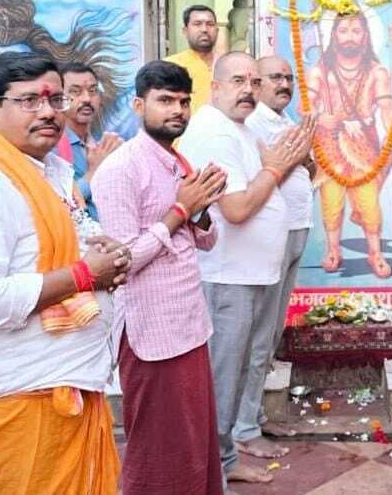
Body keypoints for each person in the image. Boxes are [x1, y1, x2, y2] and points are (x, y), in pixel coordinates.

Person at [0, 51, 128, 494]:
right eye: (28, 101)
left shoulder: (53, 174)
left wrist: (107, 254)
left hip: (70, 389)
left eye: (54, 99)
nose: (47, 112)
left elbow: (73, 245)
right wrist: (84, 276)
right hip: (20, 400)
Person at [91, 60, 227, 494]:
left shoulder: (177, 161)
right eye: (165, 100)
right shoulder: (120, 169)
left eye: (184, 102)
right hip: (151, 334)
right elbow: (121, 261)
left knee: (193, 443)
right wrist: (181, 210)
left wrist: (202, 207)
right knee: (158, 450)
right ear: (138, 104)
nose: (178, 111)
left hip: (189, 323)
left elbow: (206, 242)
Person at [177, 51, 313, 485]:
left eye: (254, 82)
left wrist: (276, 163)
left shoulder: (236, 128)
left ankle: (225, 464)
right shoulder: (214, 133)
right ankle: (211, 474)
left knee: (233, 373)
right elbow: (235, 208)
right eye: (238, 80)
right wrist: (276, 167)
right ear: (214, 86)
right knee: (221, 376)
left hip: (247, 272)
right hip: (227, 276)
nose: (248, 90)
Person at [239, 55, 314, 452]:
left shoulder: (286, 121)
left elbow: (306, 172)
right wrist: (297, 156)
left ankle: (255, 416)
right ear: (257, 83)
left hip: (297, 227)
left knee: (271, 333)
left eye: (288, 77)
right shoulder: (253, 124)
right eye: (275, 77)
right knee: (258, 335)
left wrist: (305, 157)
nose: (284, 84)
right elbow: (263, 177)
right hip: (271, 236)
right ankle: (244, 429)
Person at [305, 11, 392, 278]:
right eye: (343, 30)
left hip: (363, 145)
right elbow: (307, 109)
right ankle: (334, 250)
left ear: (366, 36)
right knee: (332, 202)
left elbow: (387, 109)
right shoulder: (319, 71)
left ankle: (375, 253)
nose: (349, 37)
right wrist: (324, 118)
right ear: (333, 35)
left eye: (356, 31)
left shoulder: (377, 72)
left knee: (369, 203)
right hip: (329, 144)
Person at [56, 62, 124, 219]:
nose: (87, 98)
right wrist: (94, 171)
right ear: (59, 99)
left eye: (93, 91)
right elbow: (60, 204)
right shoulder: (51, 148)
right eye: (75, 91)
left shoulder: (106, 146)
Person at [166, 5, 219, 115]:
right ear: (185, 31)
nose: (204, 29)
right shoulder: (169, 66)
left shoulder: (228, 65)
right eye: (197, 24)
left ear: (217, 31)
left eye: (210, 24)